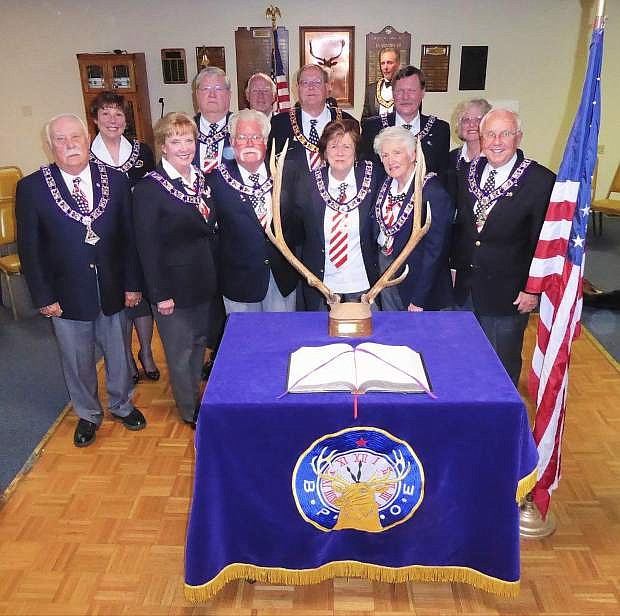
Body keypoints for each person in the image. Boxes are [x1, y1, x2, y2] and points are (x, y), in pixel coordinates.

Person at [16, 113, 147, 447]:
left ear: (87, 138)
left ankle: (121, 404)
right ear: (49, 146)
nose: (69, 144)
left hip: (114, 287)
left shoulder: (115, 181)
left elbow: (128, 238)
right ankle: (88, 414)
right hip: (65, 294)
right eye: (60, 139)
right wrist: (44, 296)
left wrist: (132, 284)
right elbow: (30, 250)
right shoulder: (31, 188)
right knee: (77, 359)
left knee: (119, 352)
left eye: (75, 137)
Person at [451, 108, 555, 386]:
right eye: (490, 134)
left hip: (509, 293)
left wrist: (533, 289)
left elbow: (541, 241)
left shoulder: (540, 181)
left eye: (505, 134)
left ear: (518, 137)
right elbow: (463, 226)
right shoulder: (469, 172)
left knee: (501, 366)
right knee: (464, 359)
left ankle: (500, 422)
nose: (497, 141)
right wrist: (454, 266)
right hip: (466, 289)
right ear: (481, 138)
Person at [133, 112, 218, 427]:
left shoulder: (199, 179)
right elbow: (147, 247)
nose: (184, 147)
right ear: (163, 146)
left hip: (202, 281)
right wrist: (160, 294)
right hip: (172, 288)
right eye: (175, 140)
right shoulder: (149, 189)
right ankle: (189, 409)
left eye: (188, 139)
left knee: (198, 344)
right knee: (179, 352)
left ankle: (194, 395)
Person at [89, 91, 160, 384]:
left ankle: (146, 352)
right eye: (105, 114)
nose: (112, 120)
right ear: (95, 119)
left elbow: (155, 190)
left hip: (140, 237)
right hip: (107, 241)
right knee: (118, 300)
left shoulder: (142, 151)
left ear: (126, 118)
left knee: (141, 297)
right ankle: (126, 356)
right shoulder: (87, 156)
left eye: (118, 113)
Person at [207, 109, 298, 312]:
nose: (249, 143)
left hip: (281, 280)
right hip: (239, 284)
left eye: (256, 137)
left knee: (281, 340)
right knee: (244, 342)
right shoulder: (215, 181)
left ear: (266, 141)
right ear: (232, 141)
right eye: (242, 137)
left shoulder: (287, 174)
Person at [286, 119, 381, 310]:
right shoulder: (307, 184)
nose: (340, 152)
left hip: (363, 284)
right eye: (333, 145)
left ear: (356, 152)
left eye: (347, 146)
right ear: (324, 151)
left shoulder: (373, 179)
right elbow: (297, 232)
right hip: (322, 286)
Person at [373, 126, 454, 312]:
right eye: (385, 155)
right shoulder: (385, 185)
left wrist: (419, 299)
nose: (390, 160)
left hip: (420, 289)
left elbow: (436, 252)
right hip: (388, 278)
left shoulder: (432, 192)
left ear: (413, 154)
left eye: (397, 152)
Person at [361, 66, 450, 174]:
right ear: (393, 93)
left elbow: (443, 175)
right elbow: (366, 172)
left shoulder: (439, 129)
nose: (405, 97)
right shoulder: (372, 127)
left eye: (411, 90)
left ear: (422, 93)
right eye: (400, 91)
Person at [270, 64, 358, 173]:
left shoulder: (348, 122)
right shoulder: (280, 124)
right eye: (305, 82)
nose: (311, 87)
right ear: (297, 89)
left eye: (317, 82)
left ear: (327, 87)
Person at [443, 98, 492, 199]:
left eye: (478, 119)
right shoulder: (451, 158)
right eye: (466, 120)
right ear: (459, 125)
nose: (472, 124)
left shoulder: (495, 157)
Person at [192, 66, 233, 174]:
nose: (212, 95)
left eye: (218, 89)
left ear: (229, 95)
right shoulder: (184, 130)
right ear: (197, 95)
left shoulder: (241, 129)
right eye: (206, 89)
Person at [361, 47, 400, 122]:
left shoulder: (409, 89)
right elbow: (364, 121)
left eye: (389, 63)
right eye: (382, 63)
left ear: (398, 64)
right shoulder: (371, 89)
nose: (385, 67)